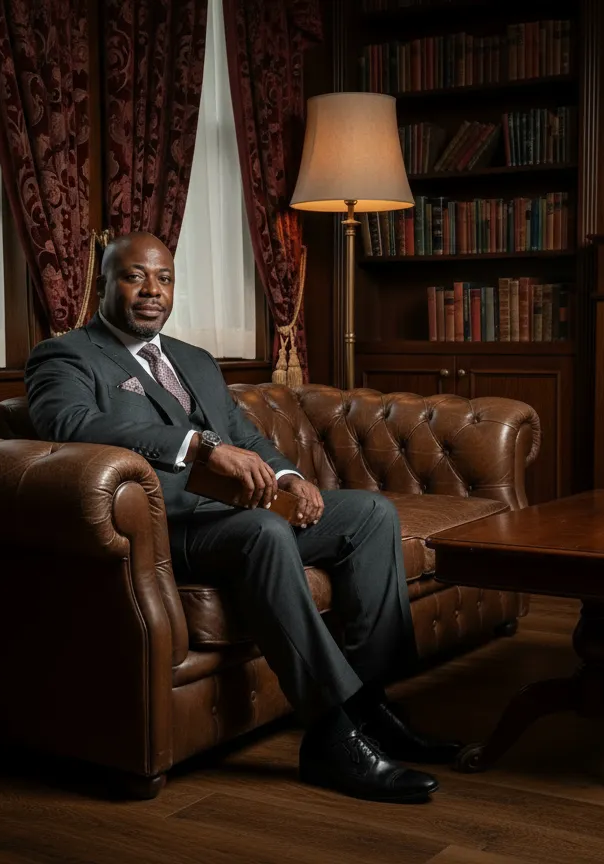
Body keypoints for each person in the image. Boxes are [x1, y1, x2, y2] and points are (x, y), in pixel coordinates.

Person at [24, 232, 459, 803]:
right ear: (102, 283)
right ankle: (332, 734)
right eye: (135, 276)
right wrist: (198, 446)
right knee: (263, 531)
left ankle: (370, 709)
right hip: (167, 528)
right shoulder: (66, 355)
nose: (152, 291)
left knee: (371, 514)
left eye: (165, 278)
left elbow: (246, 435)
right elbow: (70, 425)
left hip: (240, 510)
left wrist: (289, 478)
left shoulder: (193, 360)